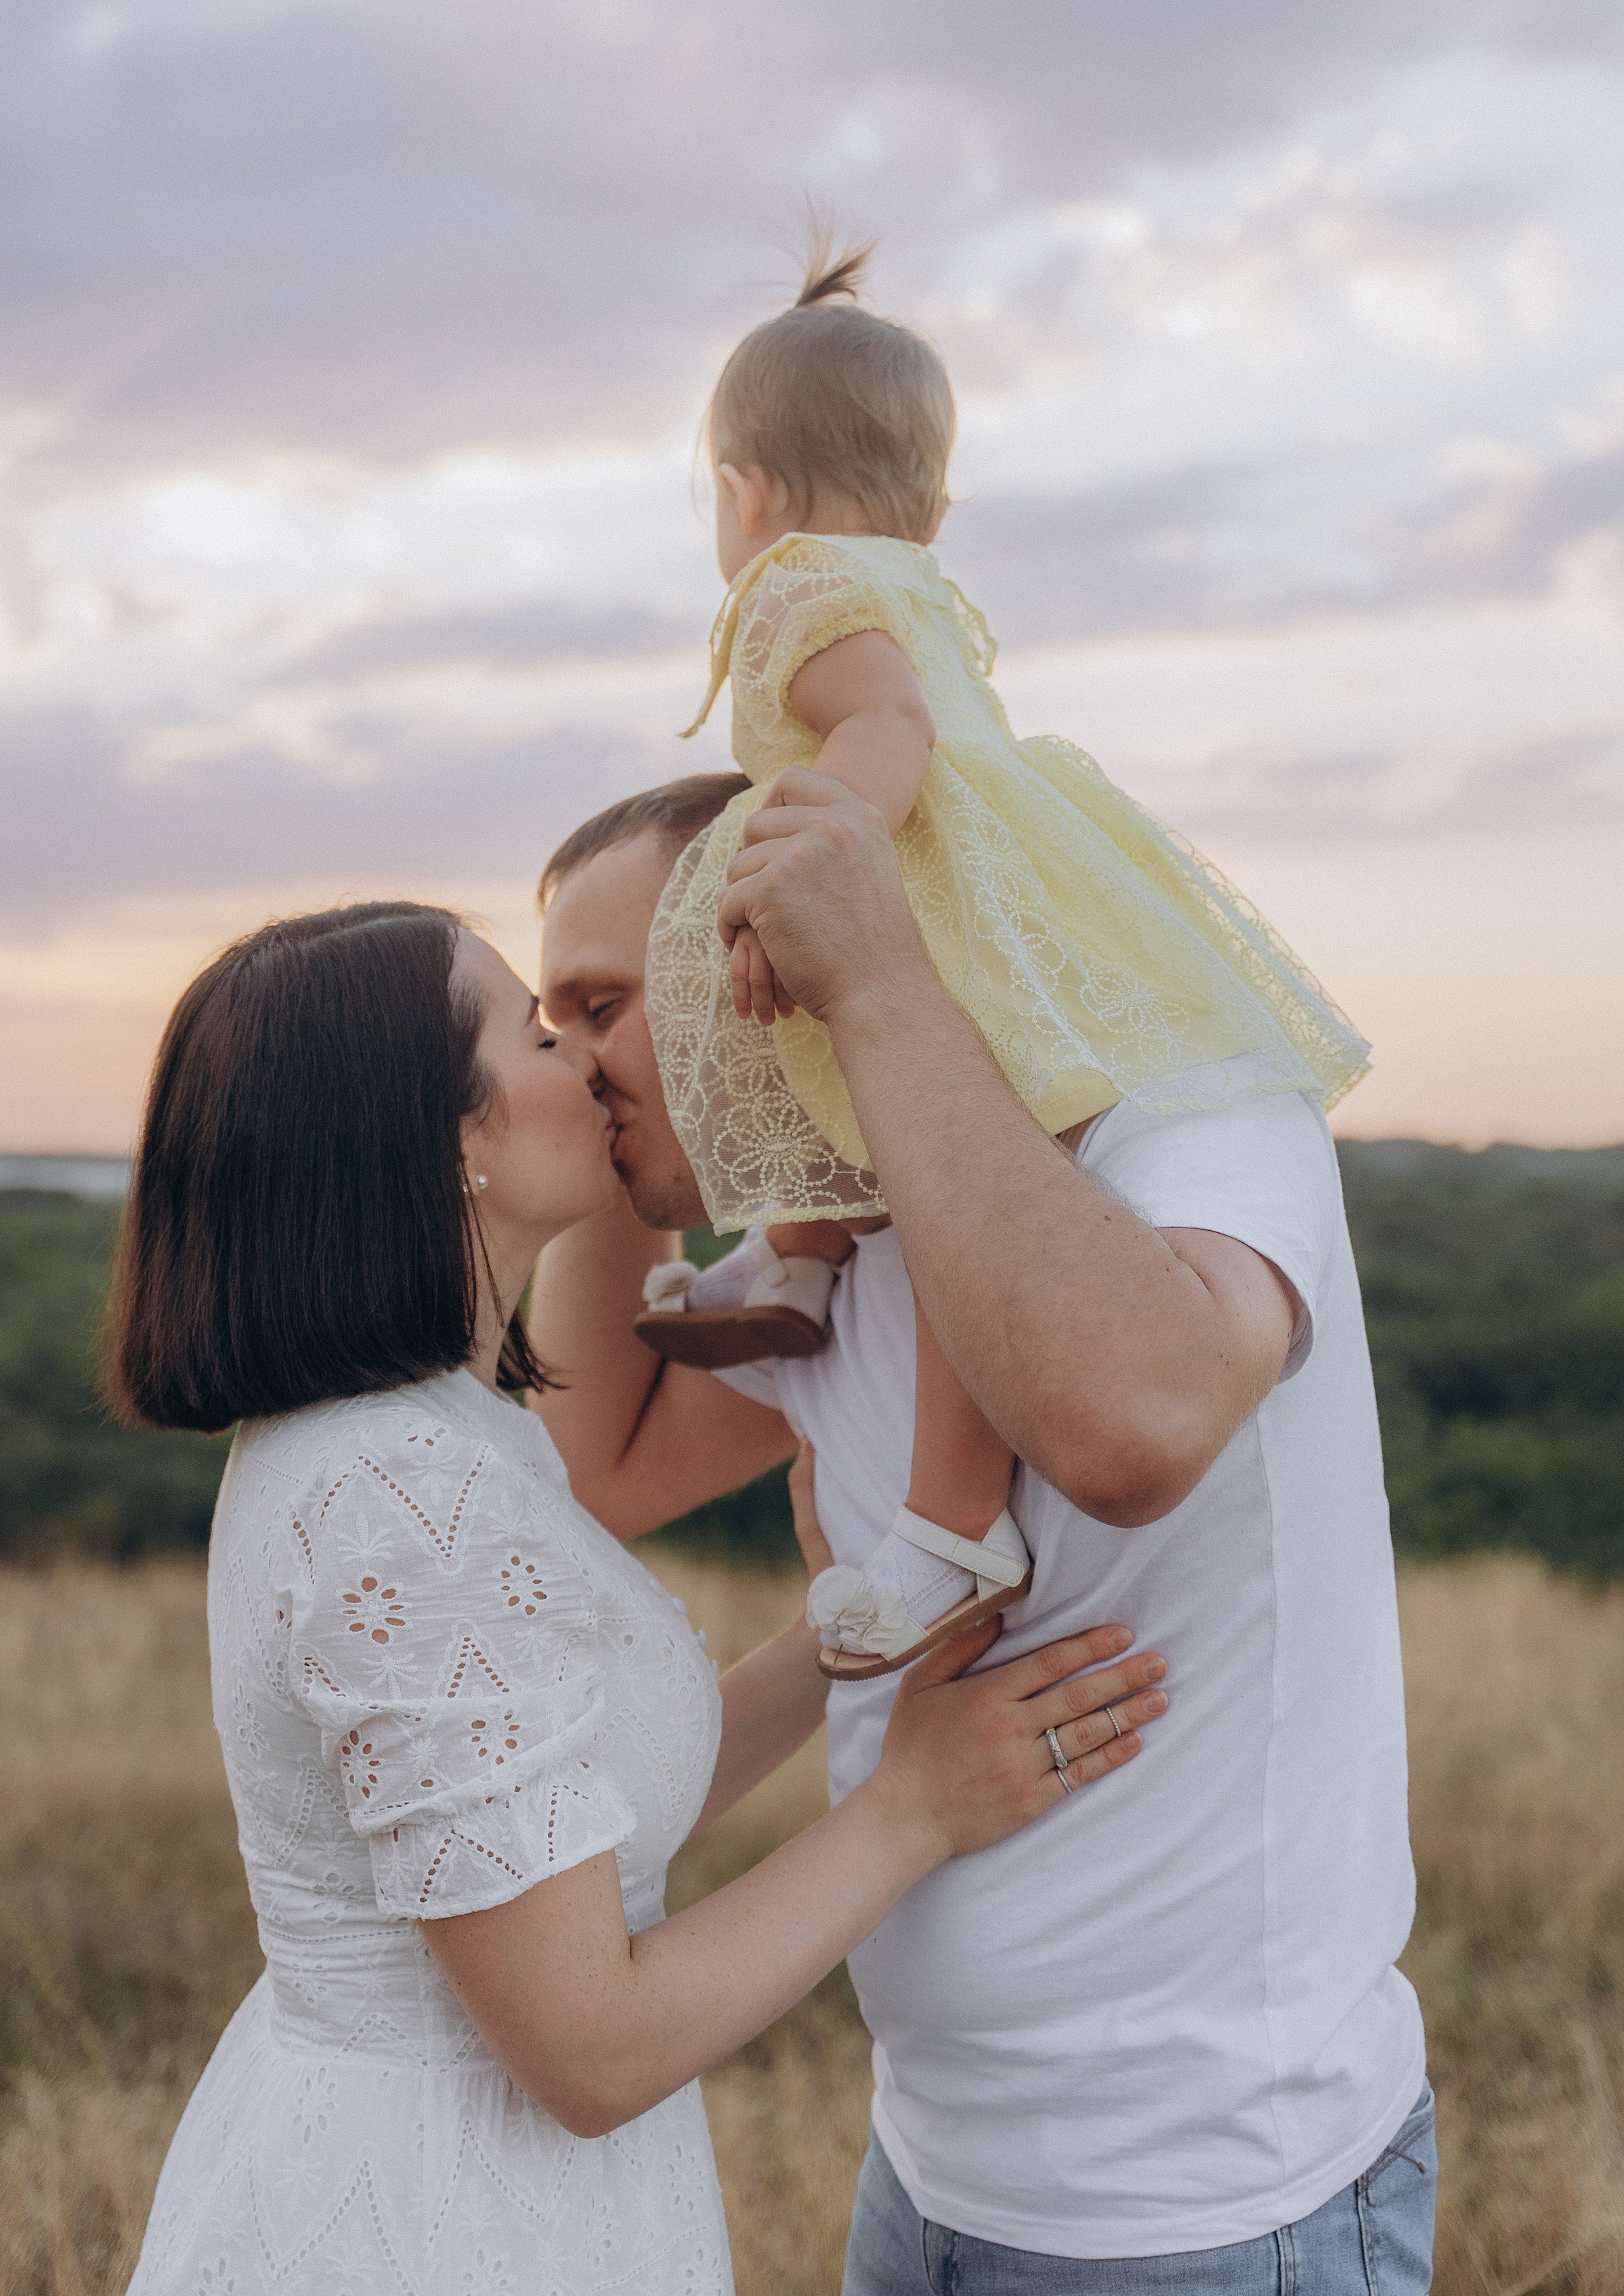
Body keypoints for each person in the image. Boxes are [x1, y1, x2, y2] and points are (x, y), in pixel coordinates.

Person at [107, 899, 1168, 2296]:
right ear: (451, 1138)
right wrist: (915, 1807)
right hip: (439, 2222)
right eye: (538, 1033)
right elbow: (588, 2049)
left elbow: (549, 1822)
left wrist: (837, 1640)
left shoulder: (423, 1437)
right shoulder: (406, 1503)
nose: (595, 1063)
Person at [532, 779, 1438, 2291]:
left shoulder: (1188, 1103)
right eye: (546, 1023)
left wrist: (881, 979)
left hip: (1206, 2208)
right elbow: (600, 1467)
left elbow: (1132, 1426)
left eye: (600, 1006)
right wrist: (581, 1134)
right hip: (930, 2170)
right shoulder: (821, 1249)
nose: (569, 1059)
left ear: (754, 951)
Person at [637, 236, 1369, 1678]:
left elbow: (892, 733)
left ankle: (948, 1524)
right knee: (869, 1123)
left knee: (936, 1191)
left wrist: (815, 841)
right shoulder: (908, 579)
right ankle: (789, 1263)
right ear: (935, 498)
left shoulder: (786, 583)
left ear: (739, 491)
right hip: (1005, 895)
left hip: (927, 914)